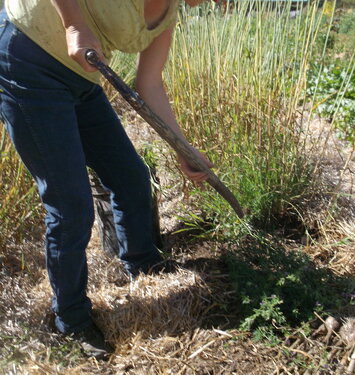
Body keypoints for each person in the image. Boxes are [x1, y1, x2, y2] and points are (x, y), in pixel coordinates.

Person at [0, 0, 213, 359]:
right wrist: (73, 24)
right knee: (70, 207)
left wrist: (182, 148)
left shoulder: (168, 14)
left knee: (131, 177)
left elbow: (149, 84)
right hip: (26, 59)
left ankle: (142, 263)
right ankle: (70, 318)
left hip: (81, 78)